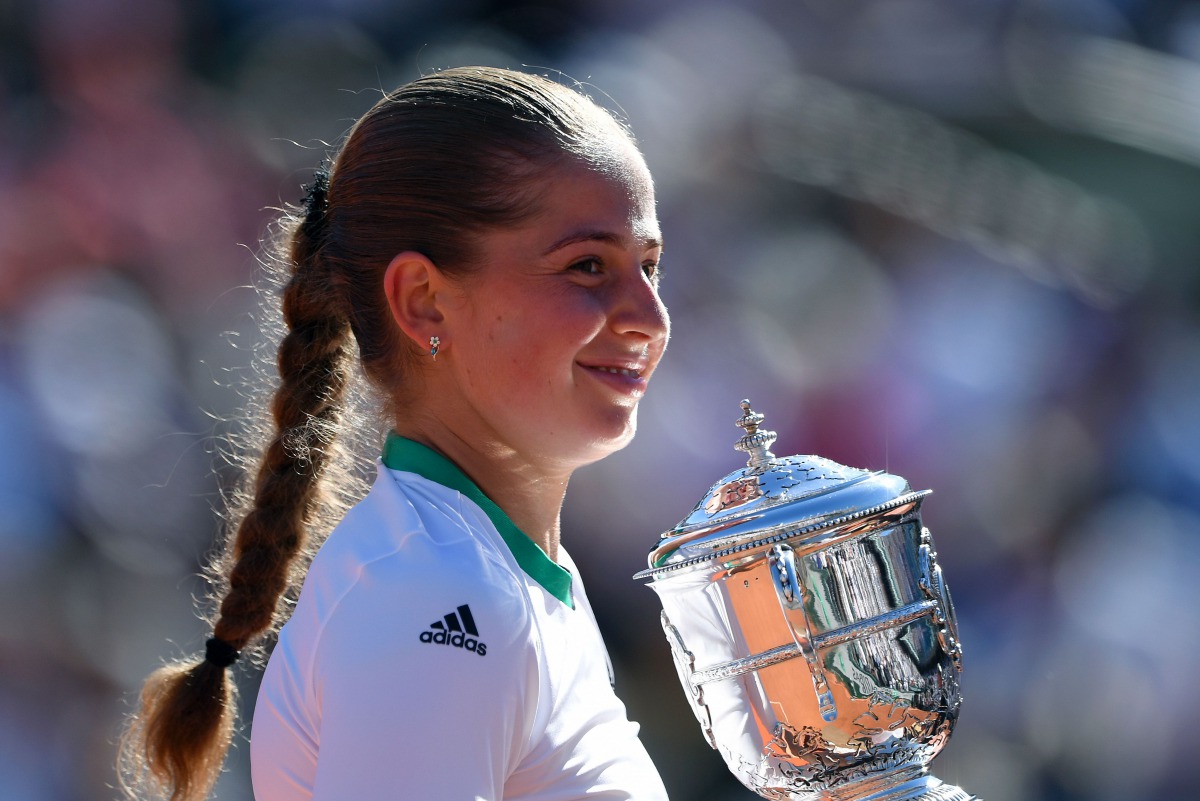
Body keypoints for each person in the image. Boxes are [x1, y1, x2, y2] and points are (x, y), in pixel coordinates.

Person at [119, 66, 671, 800]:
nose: (649, 318)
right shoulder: (439, 594)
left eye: (650, 265)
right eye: (587, 265)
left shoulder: (483, 574)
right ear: (424, 302)